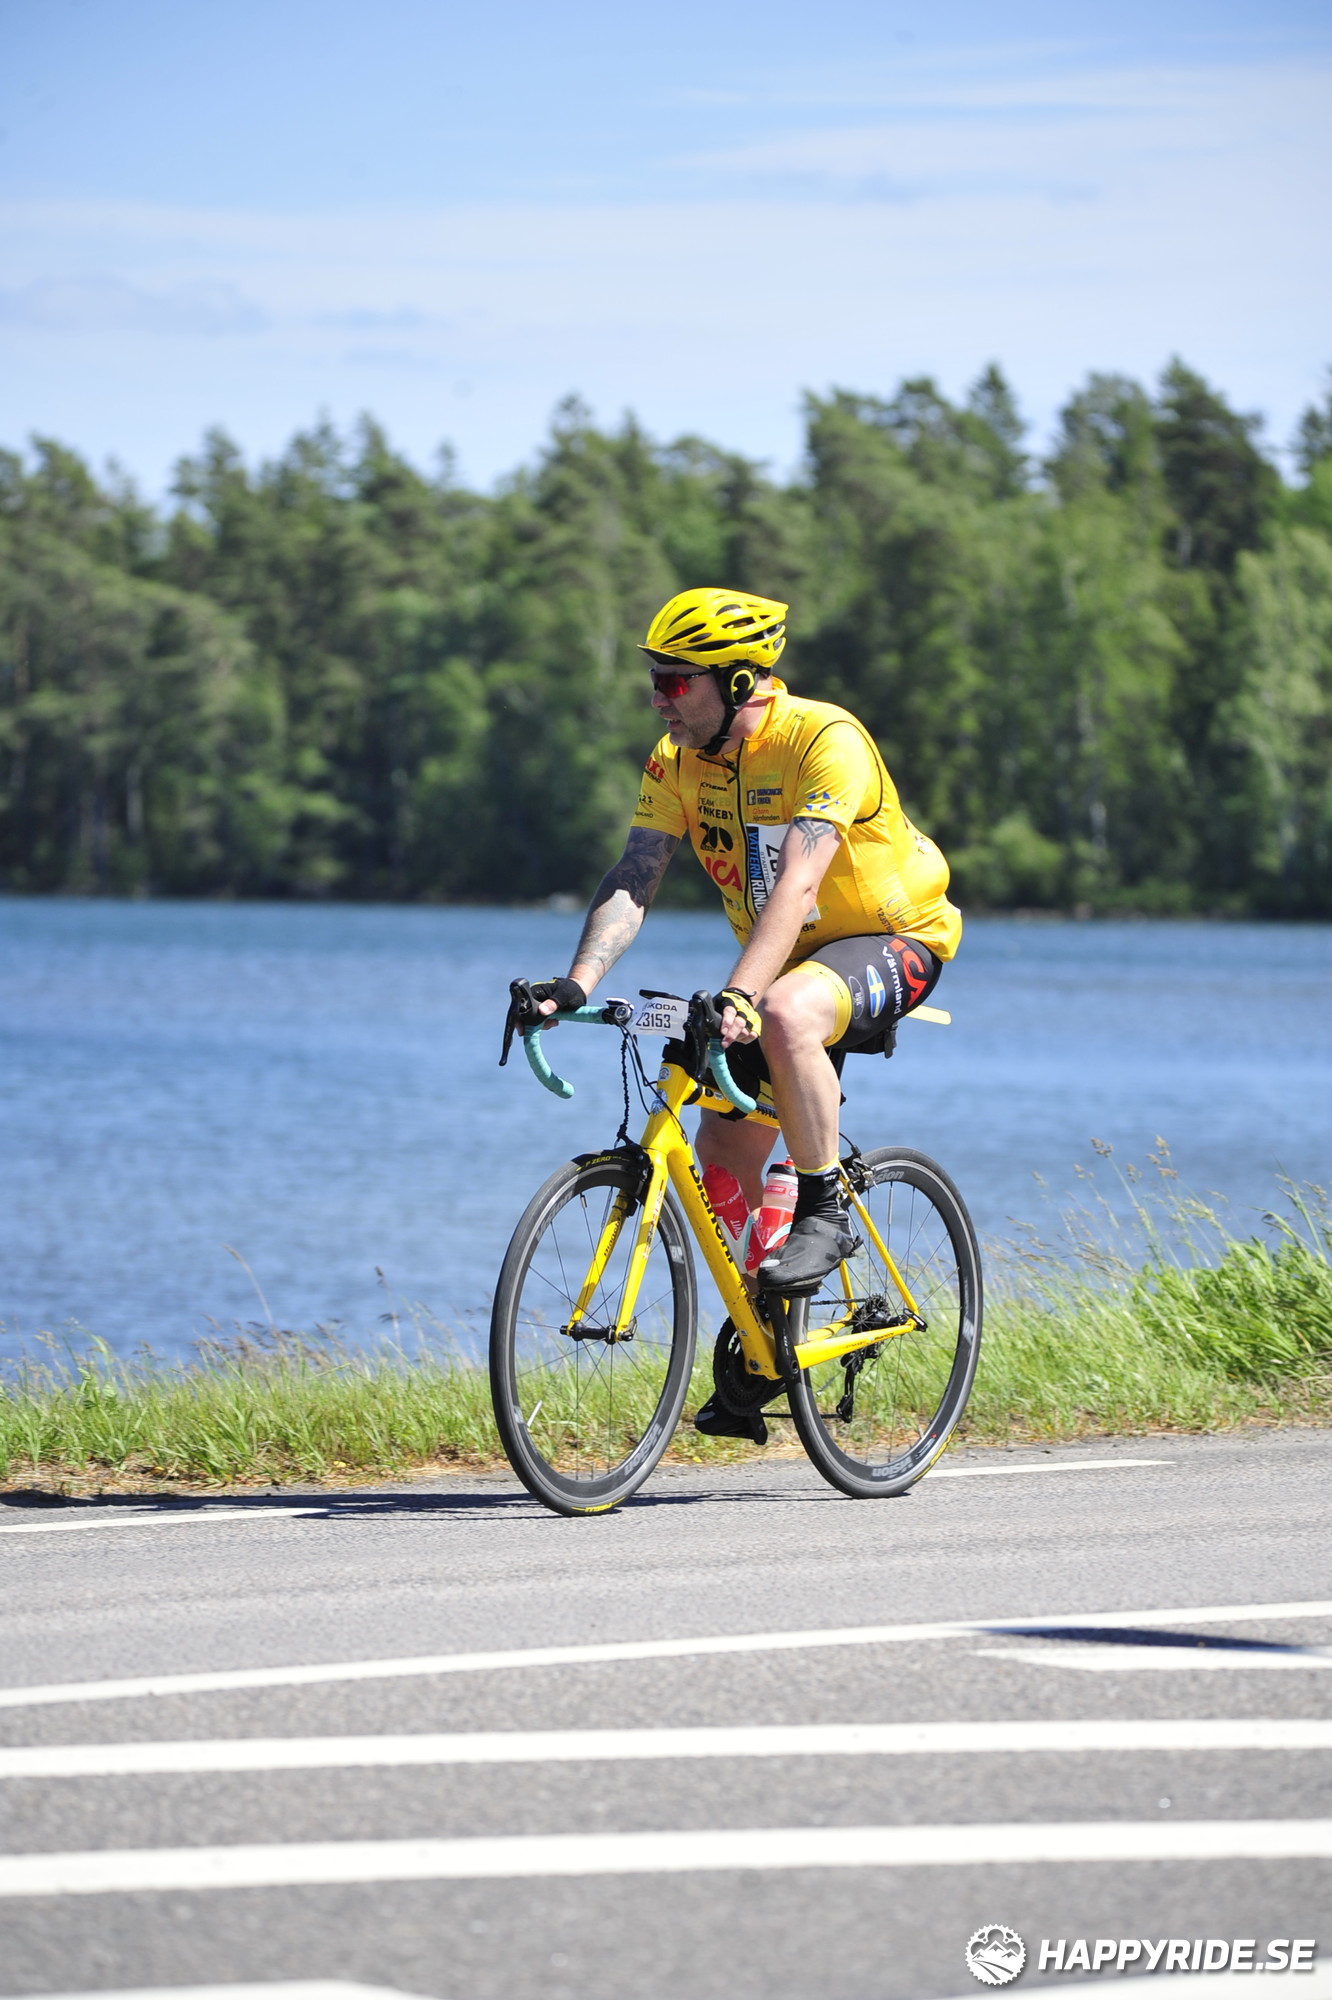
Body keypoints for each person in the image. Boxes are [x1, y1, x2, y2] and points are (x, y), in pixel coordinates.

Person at [522, 583, 961, 1310]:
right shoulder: (677, 760)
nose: (657, 699)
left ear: (735, 682)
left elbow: (798, 880)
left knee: (784, 1010)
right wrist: (576, 984)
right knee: (722, 1150)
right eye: (654, 680)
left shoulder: (823, 740)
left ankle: (824, 1212)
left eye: (674, 683)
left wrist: (741, 994)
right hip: (785, 962)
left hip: (894, 937)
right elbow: (636, 876)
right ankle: (768, 1329)